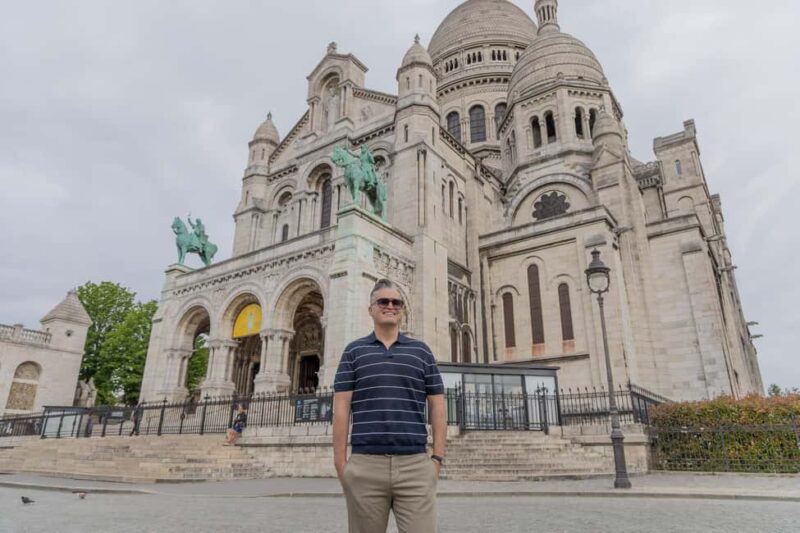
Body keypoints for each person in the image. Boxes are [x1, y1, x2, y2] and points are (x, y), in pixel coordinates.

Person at [333, 278, 446, 533]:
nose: (390, 306)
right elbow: (341, 409)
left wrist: (436, 459)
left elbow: (438, 407)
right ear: (371, 309)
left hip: (415, 466)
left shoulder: (422, 351)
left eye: (396, 302)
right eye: (383, 301)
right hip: (365, 466)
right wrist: (341, 464)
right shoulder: (353, 352)